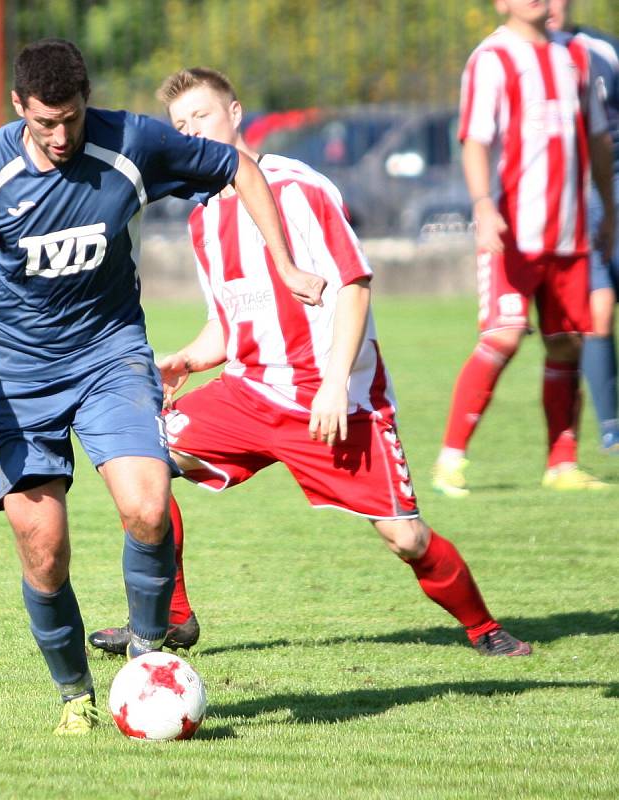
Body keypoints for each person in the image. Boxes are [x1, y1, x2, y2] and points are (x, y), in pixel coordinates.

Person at [0, 39, 324, 736]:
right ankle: (74, 694)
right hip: (12, 375)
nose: (60, 136)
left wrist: (287, 267)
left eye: (72, 119)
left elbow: (238, 164)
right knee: (42, 545)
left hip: (109, 354)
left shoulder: (130, 141)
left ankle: (147, 662)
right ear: (19, 107)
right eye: (45, 122)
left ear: (88, 103)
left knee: (148, 508)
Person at [89, 67, 532, 660]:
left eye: (203, 116)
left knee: (406, 537)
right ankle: (172, 617)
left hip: (336, 403)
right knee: (141, 460)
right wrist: (190, 358)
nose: (191, 131)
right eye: (180, 124)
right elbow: (233, 319)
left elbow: (353, 285)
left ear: (236, 112)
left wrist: (331, 384)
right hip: (248, 395)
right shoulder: (203, 218)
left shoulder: (298, 188)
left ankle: (483, 627)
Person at [431, 0, 616, 499]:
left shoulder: (576, 56)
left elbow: (598, 138)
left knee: (566, 341)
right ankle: (451, 460)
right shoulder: (492, 58)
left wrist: (608, 209)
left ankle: (562, 462)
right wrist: (483, 204)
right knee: (504, 337)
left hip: (568, 233)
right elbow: (475, 138)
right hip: (513, 233)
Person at [547, 0, 619, 454]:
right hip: (570, 197)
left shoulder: (602, 50)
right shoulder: (508, 56)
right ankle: (610, 426)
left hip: (611, 181)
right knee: (598, 306)